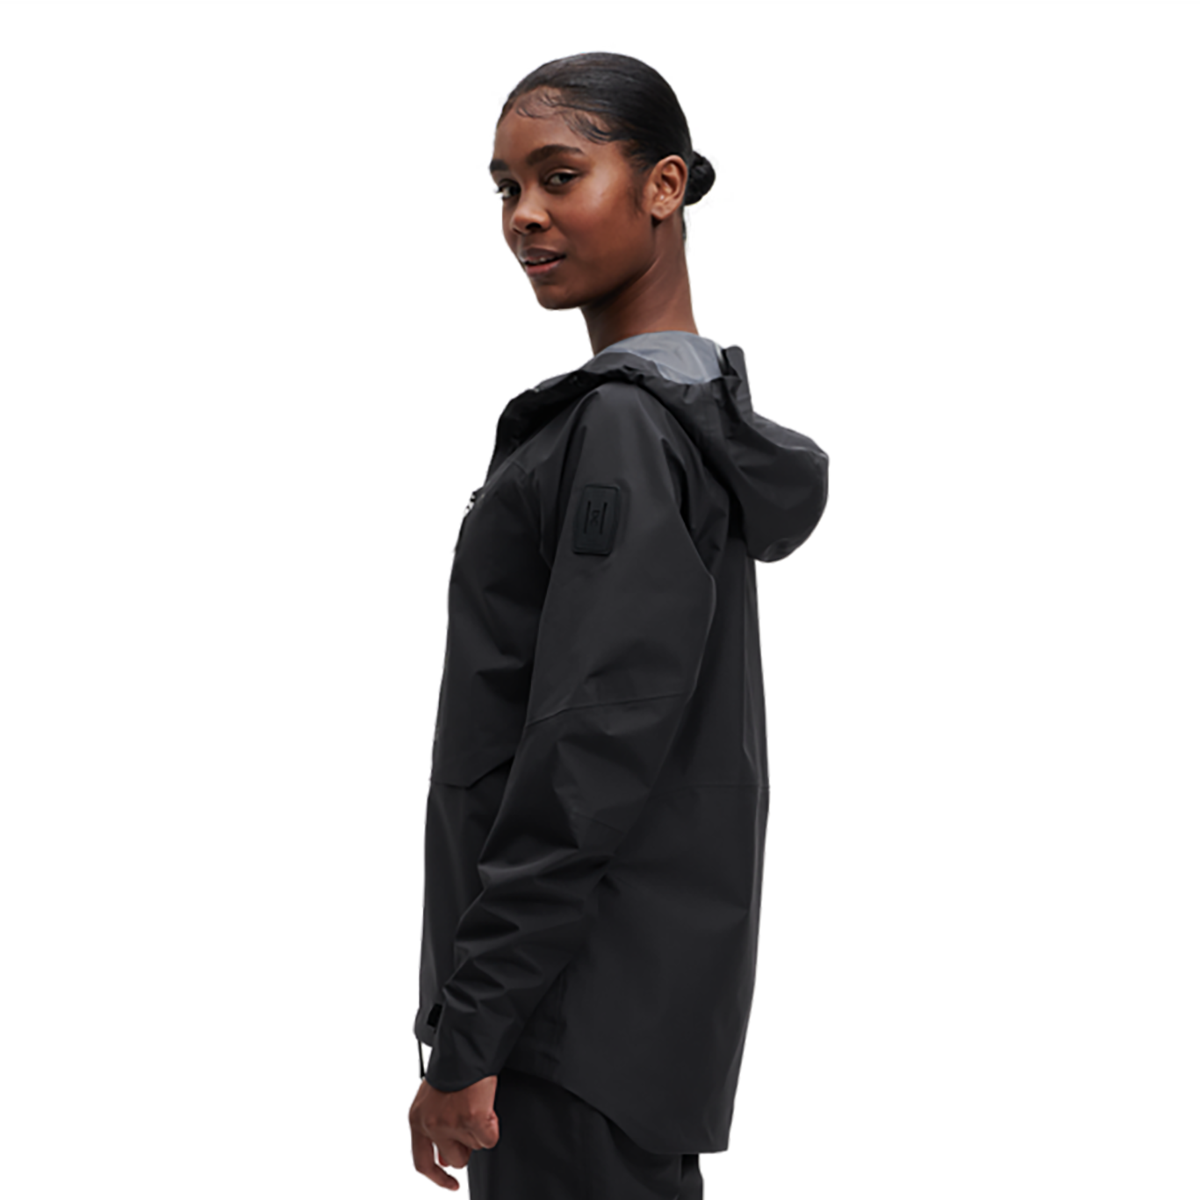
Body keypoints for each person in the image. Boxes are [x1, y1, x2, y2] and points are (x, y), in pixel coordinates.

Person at [407, 49, 829, 1199]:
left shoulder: (625, 436)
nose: (524, 216)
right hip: (621, 1026)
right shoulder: (669, 429)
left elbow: (587, 754)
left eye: (560, 176)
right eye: (506, 187)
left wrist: (472, 1032)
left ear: (664, 187)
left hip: (567, 1036)